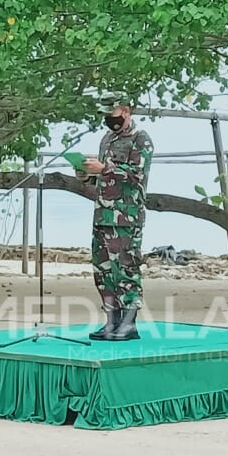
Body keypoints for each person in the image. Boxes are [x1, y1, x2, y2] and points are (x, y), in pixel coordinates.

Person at [82, 94, 154, 341]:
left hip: (126, 218)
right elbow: (105, 176)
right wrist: (88, 173)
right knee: (102, 272)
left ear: (125, 111)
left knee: (126, 269)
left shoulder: (140, 139)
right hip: (103, 215)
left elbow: (138, 175)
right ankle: (111, 320)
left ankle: (129, 323)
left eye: (111, 115)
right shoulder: (107, 139)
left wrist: (105, 169)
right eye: (104, 115)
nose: (107, 120)